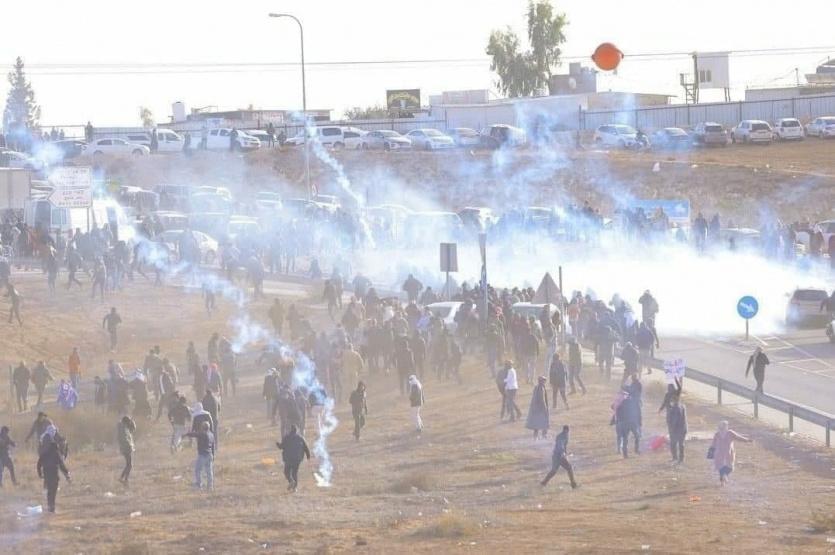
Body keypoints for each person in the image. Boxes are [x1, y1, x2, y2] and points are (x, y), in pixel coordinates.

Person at [710, 421, 751, 486]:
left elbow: (713, 444)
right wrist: (747, 440)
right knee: (730, 467)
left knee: (721, 467)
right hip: (728, 453)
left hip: (719, 453)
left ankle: (723, 481)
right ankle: (724, 476)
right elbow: (739, 437)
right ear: (726, 426)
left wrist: (711, 452)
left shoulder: (717, 434)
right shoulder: (730, 432)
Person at [37, 436, 71, 513]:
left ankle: (50, 506)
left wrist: (40, 474)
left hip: (47, 475)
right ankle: (52, 508)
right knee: (53, 491)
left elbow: (39, 464)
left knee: (49, 491)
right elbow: (61, 465)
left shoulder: (44, 453)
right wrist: (67, 473)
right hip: (54, 475)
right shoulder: (56, 453)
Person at [276, 424, 311, 492]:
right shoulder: (300, 438)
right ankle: (295, 488)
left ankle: (291, 481)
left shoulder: (286, 438)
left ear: (290, 430)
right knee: (294, 473)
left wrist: (277, 444)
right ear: (296, 431)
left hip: (288, 459)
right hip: (297, 459)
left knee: (286, 472)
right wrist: (308, 457)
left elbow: (281, 447)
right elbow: (306, 448)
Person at [184, 421, 215, 491]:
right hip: (209, 454)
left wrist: (187, 434)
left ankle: (199, 485)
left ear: (202, 427)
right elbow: (213, 446)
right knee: (209, 471)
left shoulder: (202, 434)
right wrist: (213, 455)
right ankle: (210, 486)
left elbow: (194, 434)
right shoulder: (211, 434)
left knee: (198, 470)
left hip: (202, 455)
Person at [667, 395, 687, 463]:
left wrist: (671, 429)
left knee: (673, 444)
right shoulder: (682, 406)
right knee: (681, 444)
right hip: (683, 428)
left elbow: (675, 420)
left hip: (677, 429)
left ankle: (675, 458)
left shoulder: (675, 408)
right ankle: (681, 459)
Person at [117, 416, 136, 485]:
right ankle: (125, 479)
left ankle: (122, 478)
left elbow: (132, 430)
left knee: (128, 464)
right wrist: (129, 446)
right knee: (129, 465)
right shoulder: (124, 429)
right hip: (126, 448)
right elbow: (125, 439)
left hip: (125, 448)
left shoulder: (122, 428)